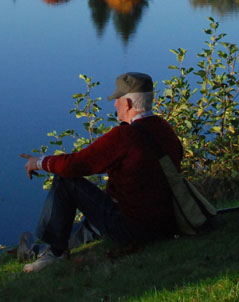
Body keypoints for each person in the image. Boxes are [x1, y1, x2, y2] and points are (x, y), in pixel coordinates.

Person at [18, 72, 183, 273]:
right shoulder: (165, 129)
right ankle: (38, 250)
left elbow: (75, 165)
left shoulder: (125, 136)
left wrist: (39, 162)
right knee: (91, 221)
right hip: (165, 223)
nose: (115, 105)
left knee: (66, 181)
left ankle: (54, 254)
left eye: (117, 100)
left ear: (128, 104)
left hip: (133, 228)